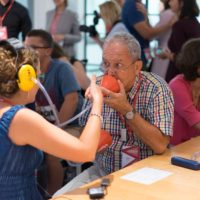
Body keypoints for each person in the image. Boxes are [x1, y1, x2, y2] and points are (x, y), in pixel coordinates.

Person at [53, 32, 174, 196]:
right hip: (104, 172)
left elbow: (160, 145)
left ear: (137, 67)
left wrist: (126, 110)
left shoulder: (156, 88)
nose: (109, 72)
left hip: (145, 173)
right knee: (59, 197)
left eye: (118, 65)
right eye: (106, 64)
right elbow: (83, 130)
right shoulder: (98, 85)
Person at [0, 39, 103, 200]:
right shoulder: (19, 118)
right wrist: (97, 102)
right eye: (38, 75)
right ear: (26, 78)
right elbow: (86, 152)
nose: (40, 81)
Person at [24, 29, 83, 195]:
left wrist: (56, 130)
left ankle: (52, 194)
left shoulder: (61, 69)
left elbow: (72, 100)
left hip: (73, 125)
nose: (26, 51)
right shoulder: (27, 73)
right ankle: (37, 191)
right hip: (48, 126)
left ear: (48, 51)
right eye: (25, 46)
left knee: (50, 152)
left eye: (32, 47)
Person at [121, 0, 175, 67]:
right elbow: (147, 34)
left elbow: (149, 32)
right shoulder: (132, 5)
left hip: (141, 54)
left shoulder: (136, 4)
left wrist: (146, 17)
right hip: (137, 55)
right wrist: (169, 25)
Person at [169, 38, 200, 146]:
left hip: (194, 146)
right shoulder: (177, 86)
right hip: (175, 149)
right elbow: (196, 121)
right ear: (197, 67)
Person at [163, 0, 200, 82]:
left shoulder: (179, 26)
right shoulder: (195, 22)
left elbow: (183, 58)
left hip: (179, 76)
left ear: (182, 3)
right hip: (194, 76)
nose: (169, 3)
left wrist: (169, 55)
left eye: (172, 0)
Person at [150, 0, 175, 79]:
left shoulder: (167, 14)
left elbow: (152, 35)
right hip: (168, 52)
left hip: (163, 52)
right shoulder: (174, 15)